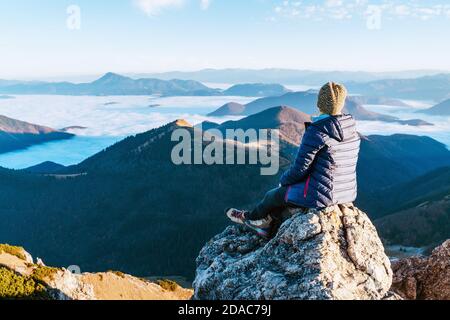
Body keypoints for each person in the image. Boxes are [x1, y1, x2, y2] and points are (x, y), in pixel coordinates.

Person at [226, 82, 361, 238]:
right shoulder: (350, 129)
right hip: (346, 192)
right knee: (285, 197)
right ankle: (266, 225)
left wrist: (284, 181)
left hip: (321, 196)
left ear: (319, 104)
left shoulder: (317, 131)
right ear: (342, 103)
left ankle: (252, 220)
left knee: (273, 195)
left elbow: (300, 169)